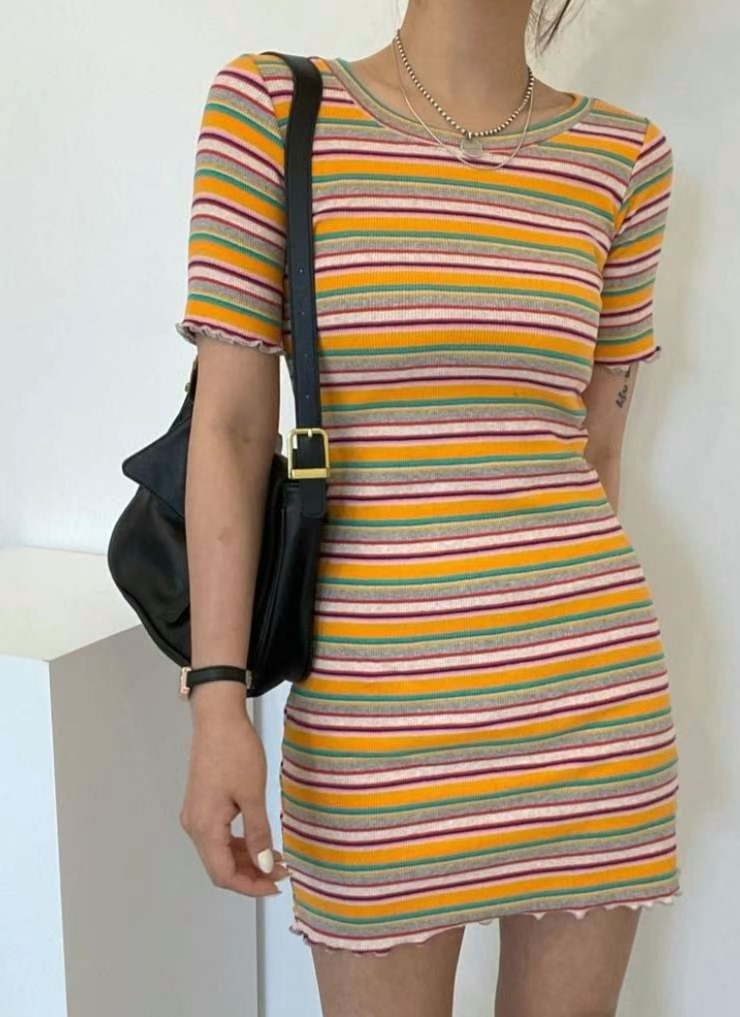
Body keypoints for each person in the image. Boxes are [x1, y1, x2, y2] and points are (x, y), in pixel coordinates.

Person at [175, 2, 680, 1014]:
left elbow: (596, 448)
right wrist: (217, 698)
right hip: (374, 721)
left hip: (587, 707)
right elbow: (228, 431)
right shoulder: (271, 107)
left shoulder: (626, 158)